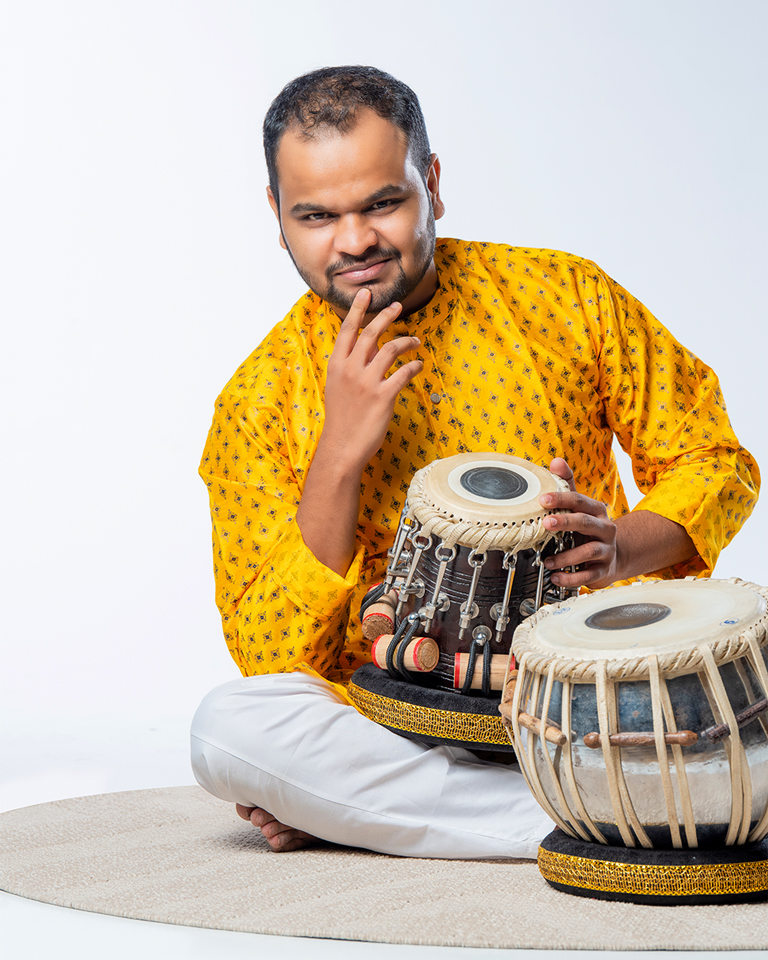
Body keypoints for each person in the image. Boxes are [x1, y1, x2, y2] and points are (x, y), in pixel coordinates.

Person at [190, 66, 759, 858]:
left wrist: (623, 546)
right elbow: (274, 654)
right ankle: (596, 816)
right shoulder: (258, 397)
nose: (353, 241)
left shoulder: (565, 296)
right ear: (278, 215)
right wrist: (340, 453)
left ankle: (395, 814)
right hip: (402, 732)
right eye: (316, 215)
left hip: (594, 697)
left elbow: (714, 459)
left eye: (382, 203)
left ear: (430, 184)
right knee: (232, 729)